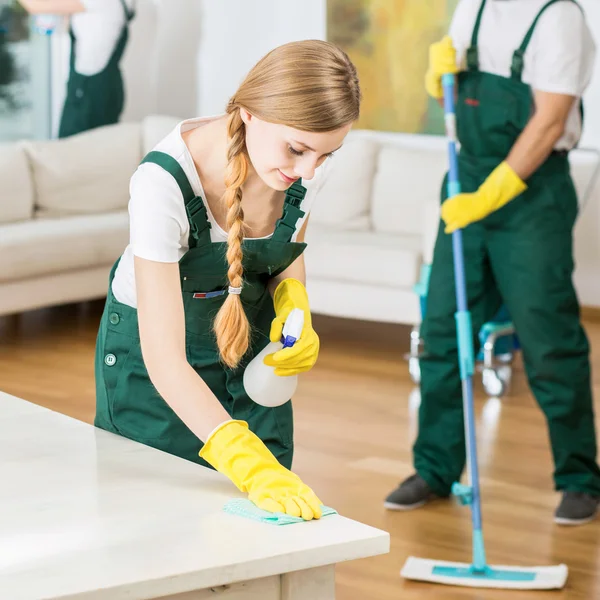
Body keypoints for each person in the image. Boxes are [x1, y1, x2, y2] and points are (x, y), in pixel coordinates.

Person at [94, 40, 361, 521]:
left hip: (251, 351)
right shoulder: (164, 183)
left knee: (268, 526)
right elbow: (165, 359)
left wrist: (294, 303)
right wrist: (245, 461)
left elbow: (284, 255)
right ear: (251, 111)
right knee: (161, 520)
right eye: (298, 149)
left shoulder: (306, 166)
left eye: (326, 155)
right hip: (155, 370)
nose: (308, 171)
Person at [385, 0, 600, 525]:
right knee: (441, 334)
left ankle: (579, 479)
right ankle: (435, 469)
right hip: (466, 181)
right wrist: (439, 80)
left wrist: (492, 195)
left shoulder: (558, 18)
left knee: (549, 340)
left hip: (531, 195)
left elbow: (549, 122)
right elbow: (455, 91)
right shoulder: (476, 8)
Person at [17, 0, 134, 138]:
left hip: (89, 90)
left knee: (71, 149)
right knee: (100, 148)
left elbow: (36, 5)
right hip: (107, 85)